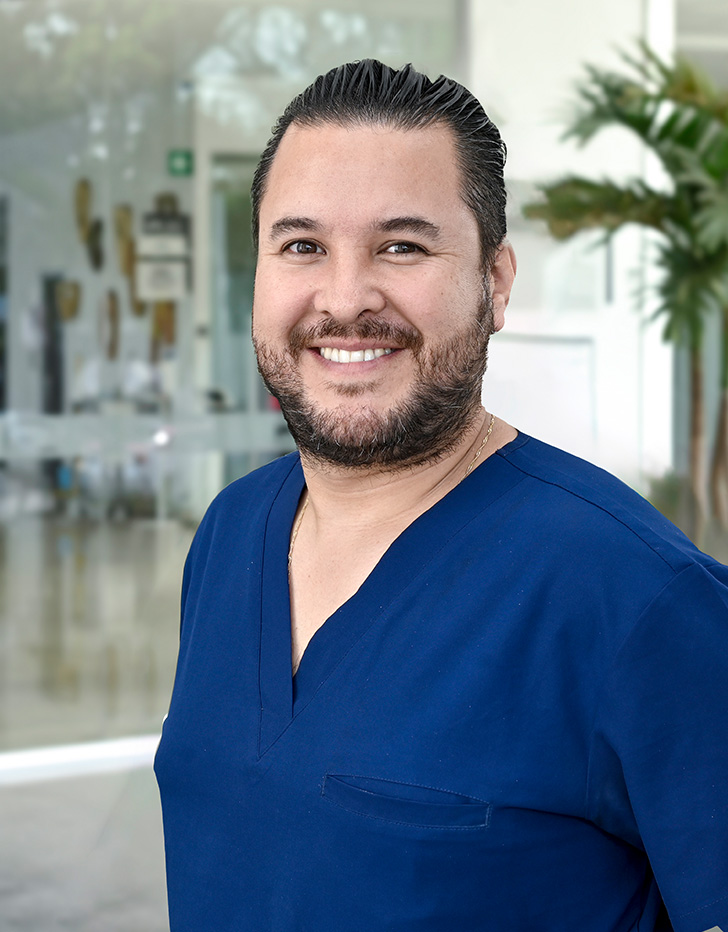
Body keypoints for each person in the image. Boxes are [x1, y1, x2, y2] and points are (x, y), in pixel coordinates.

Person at [154, 60, 728, 932]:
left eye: (403, 246)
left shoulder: (636, 597)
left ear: (495, 283)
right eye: (302, 246)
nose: (345, 300)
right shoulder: (231, 532)